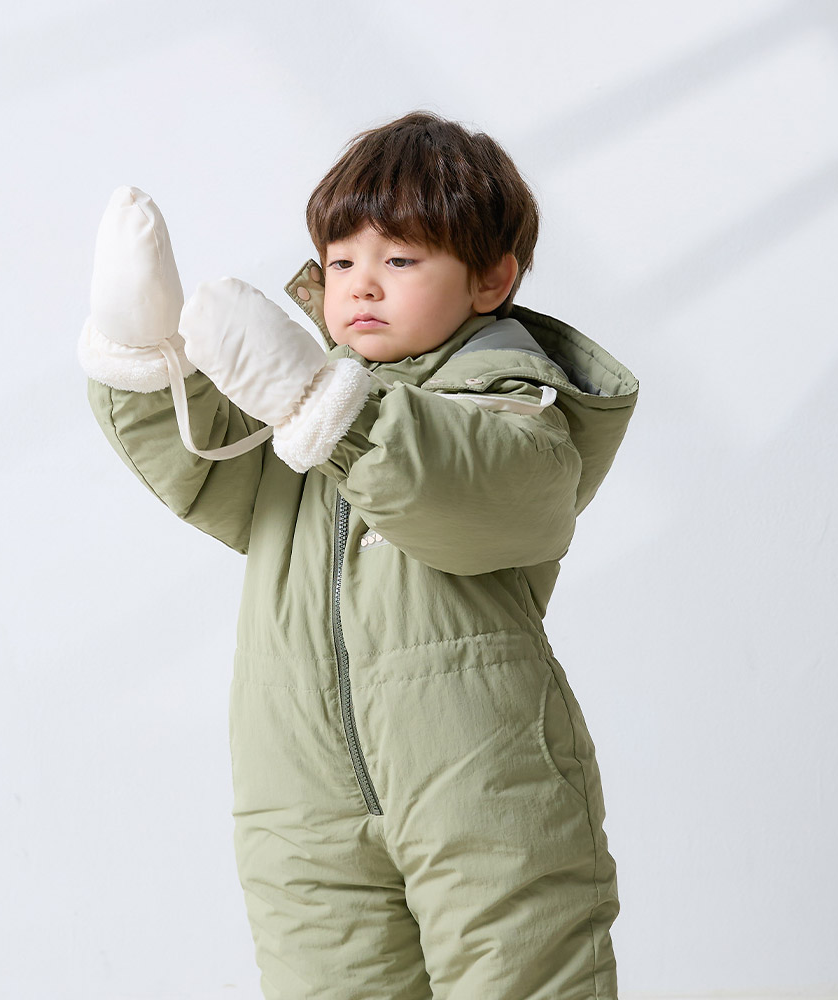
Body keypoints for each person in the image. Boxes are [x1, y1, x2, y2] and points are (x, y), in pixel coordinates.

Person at [78, 111, 639, 1000]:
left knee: (523, 975)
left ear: (491, 278)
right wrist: (146, 362)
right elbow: (213, 470)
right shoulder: (296, 413)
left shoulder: (513, 404)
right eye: (340, 262)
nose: (361, 284)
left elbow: (485, 492)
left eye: (400, 260)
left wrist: (326, 403)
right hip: (298, 790)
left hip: (484, 779)